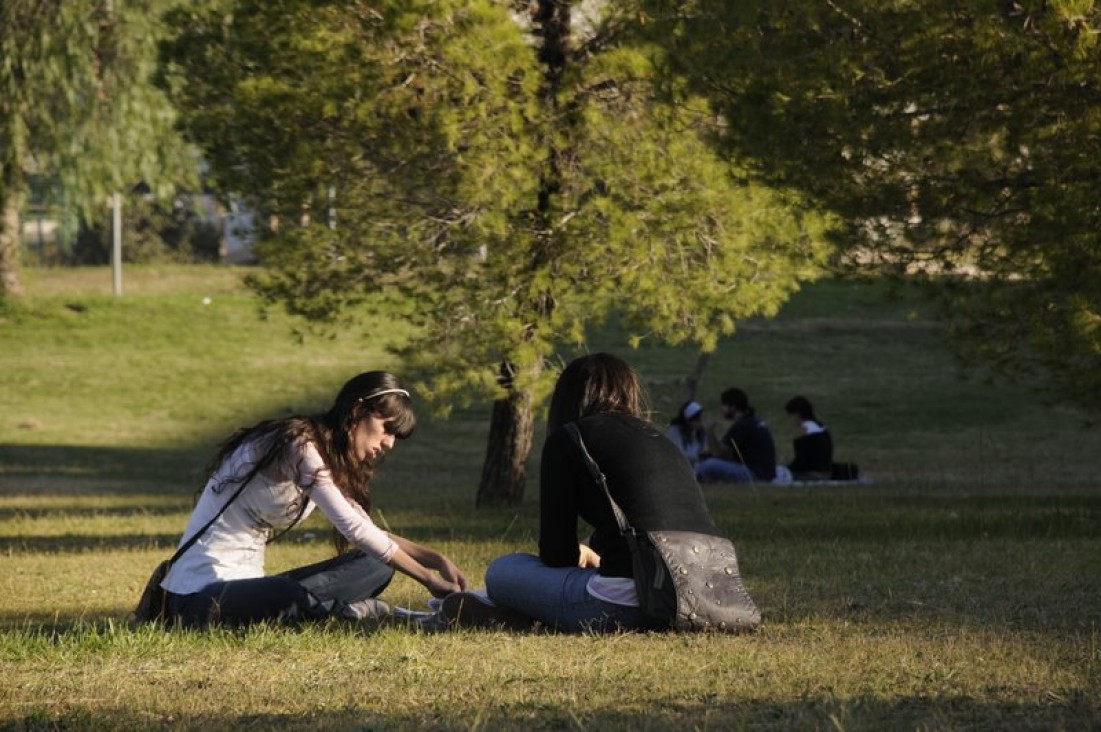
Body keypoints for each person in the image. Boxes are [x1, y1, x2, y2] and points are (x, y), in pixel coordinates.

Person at [160, 371, 468, 627]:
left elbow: (369, 533)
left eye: (395, 438)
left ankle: (330, 610)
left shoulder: (325, 455)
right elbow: (354, 530)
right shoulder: (296, 445)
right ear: (358, 410)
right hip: (198, 597)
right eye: (387, 429)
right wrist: (428, 579)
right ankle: (352, 614)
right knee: (284, 593)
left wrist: (435, 559)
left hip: (247, 588)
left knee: (377, 564)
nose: (388, 444)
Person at [449, 353, 730, 633]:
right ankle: (525, 616)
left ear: (567, 398)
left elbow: (556, 554)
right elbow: (650, 516)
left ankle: (519, 614)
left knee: (502, 571)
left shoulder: (570, 438)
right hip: (703, 594)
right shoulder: (663, 441)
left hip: (627, 604)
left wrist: (584, 552)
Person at [695, 387, 777, 483]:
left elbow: (718, 452)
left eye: (723, 405)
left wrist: (709, 431)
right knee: (711, 461)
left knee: (708, 465)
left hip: (755, 474)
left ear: (733, 407)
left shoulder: (742, 425)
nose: (721, 409)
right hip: (765, 473)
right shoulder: (753, 421)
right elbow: (728, 453)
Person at [784, 395, 834, 480]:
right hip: (827, 472)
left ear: (797, 414)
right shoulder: (821, 426)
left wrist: (786, 469)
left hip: (811, 474)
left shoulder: (803, 430)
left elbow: (801, 461)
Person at [664, 400, 707, 465]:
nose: (702, 423)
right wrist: (699, 456)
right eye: (699, 419)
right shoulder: (674, 431)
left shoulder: (699, 432)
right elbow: (678, 454)